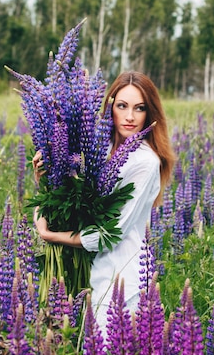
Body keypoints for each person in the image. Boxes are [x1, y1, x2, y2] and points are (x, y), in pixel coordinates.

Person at [33, 71, 175, 335]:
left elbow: (112, 233)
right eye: (122, 106)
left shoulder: (145, 162)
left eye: (139, 108)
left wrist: (51, 235)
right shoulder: (95, 149)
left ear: (149, 113)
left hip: (122, 279)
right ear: (110, 107)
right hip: (85, 276)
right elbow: (60, 203)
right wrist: (44, 179)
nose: (130, 116)